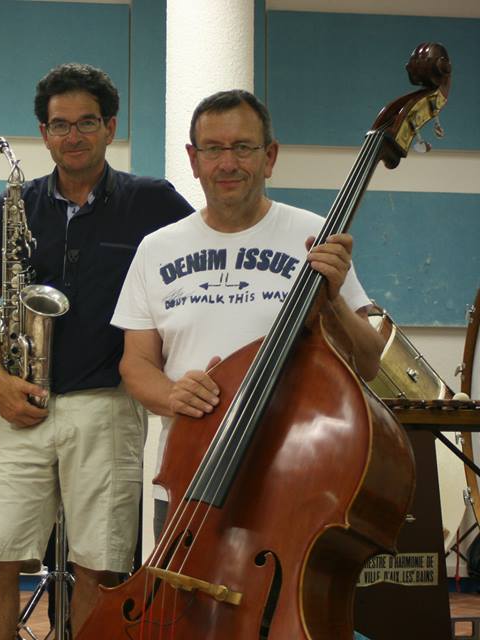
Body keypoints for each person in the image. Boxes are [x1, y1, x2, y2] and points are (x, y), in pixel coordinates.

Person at [0, 63, 193, 638]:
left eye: (86, 122)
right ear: (43, 132)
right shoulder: (16, 204)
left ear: (110, 127)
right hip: (22, 404)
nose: (73, 136)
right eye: (59, 124)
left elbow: (204, 258)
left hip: (108, 405)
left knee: (102, 564)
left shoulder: (154, 200)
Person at [111, 89, 385, 539]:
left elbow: (371, 361)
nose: (227, 163)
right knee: (180, 609)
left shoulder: (316, 234)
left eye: (243, 147)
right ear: (194, 159)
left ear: (270, 156)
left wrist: (334, 298)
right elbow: (136, 363)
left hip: (293, 474)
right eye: (213, 149)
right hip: (187, 478)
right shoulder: (156, 248)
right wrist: (173, 393)